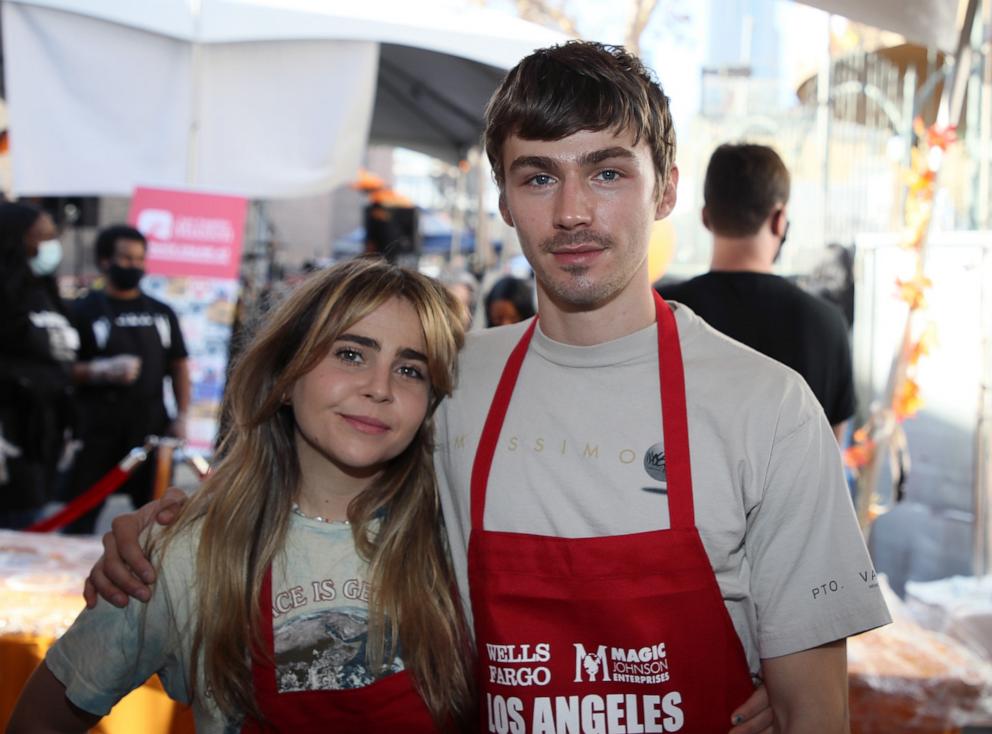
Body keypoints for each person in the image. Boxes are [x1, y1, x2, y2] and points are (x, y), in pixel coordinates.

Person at [87, 42, 888, 732]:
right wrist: (168, 534)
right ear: (503, 197)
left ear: (667, 189)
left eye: (607, 172)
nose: (573, 212)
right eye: (538, 177)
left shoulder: (768, 407)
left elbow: (815, 712)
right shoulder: (443, 383)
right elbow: (306, 488)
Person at [8, 257, 473, 732]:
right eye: (351, 354)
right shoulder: (184, 550)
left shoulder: (459, 535)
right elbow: (39, 722)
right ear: (286, 377)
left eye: (411, 370)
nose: (379, 388)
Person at [658, 144, 855, 441]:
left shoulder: (660, 311)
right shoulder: (828, 324)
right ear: (779, 220)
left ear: (706, 218)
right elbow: (831, 453)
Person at [63, 225, 191, 533]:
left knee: (155, 520)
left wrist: (183, 414)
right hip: (96, 429)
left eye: (139, 258)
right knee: (80, 514)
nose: (134, 265)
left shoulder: (162, 312)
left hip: (149, 429)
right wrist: (99, 370)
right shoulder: (81, 310)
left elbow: (179, 365)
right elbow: (61, 369)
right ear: (105, 260)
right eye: (126, 257)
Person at [0, 202, 78, 529]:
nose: (51, 245)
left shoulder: (42, 289)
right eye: (43, 237)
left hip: (41, 431)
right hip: (9, 434)